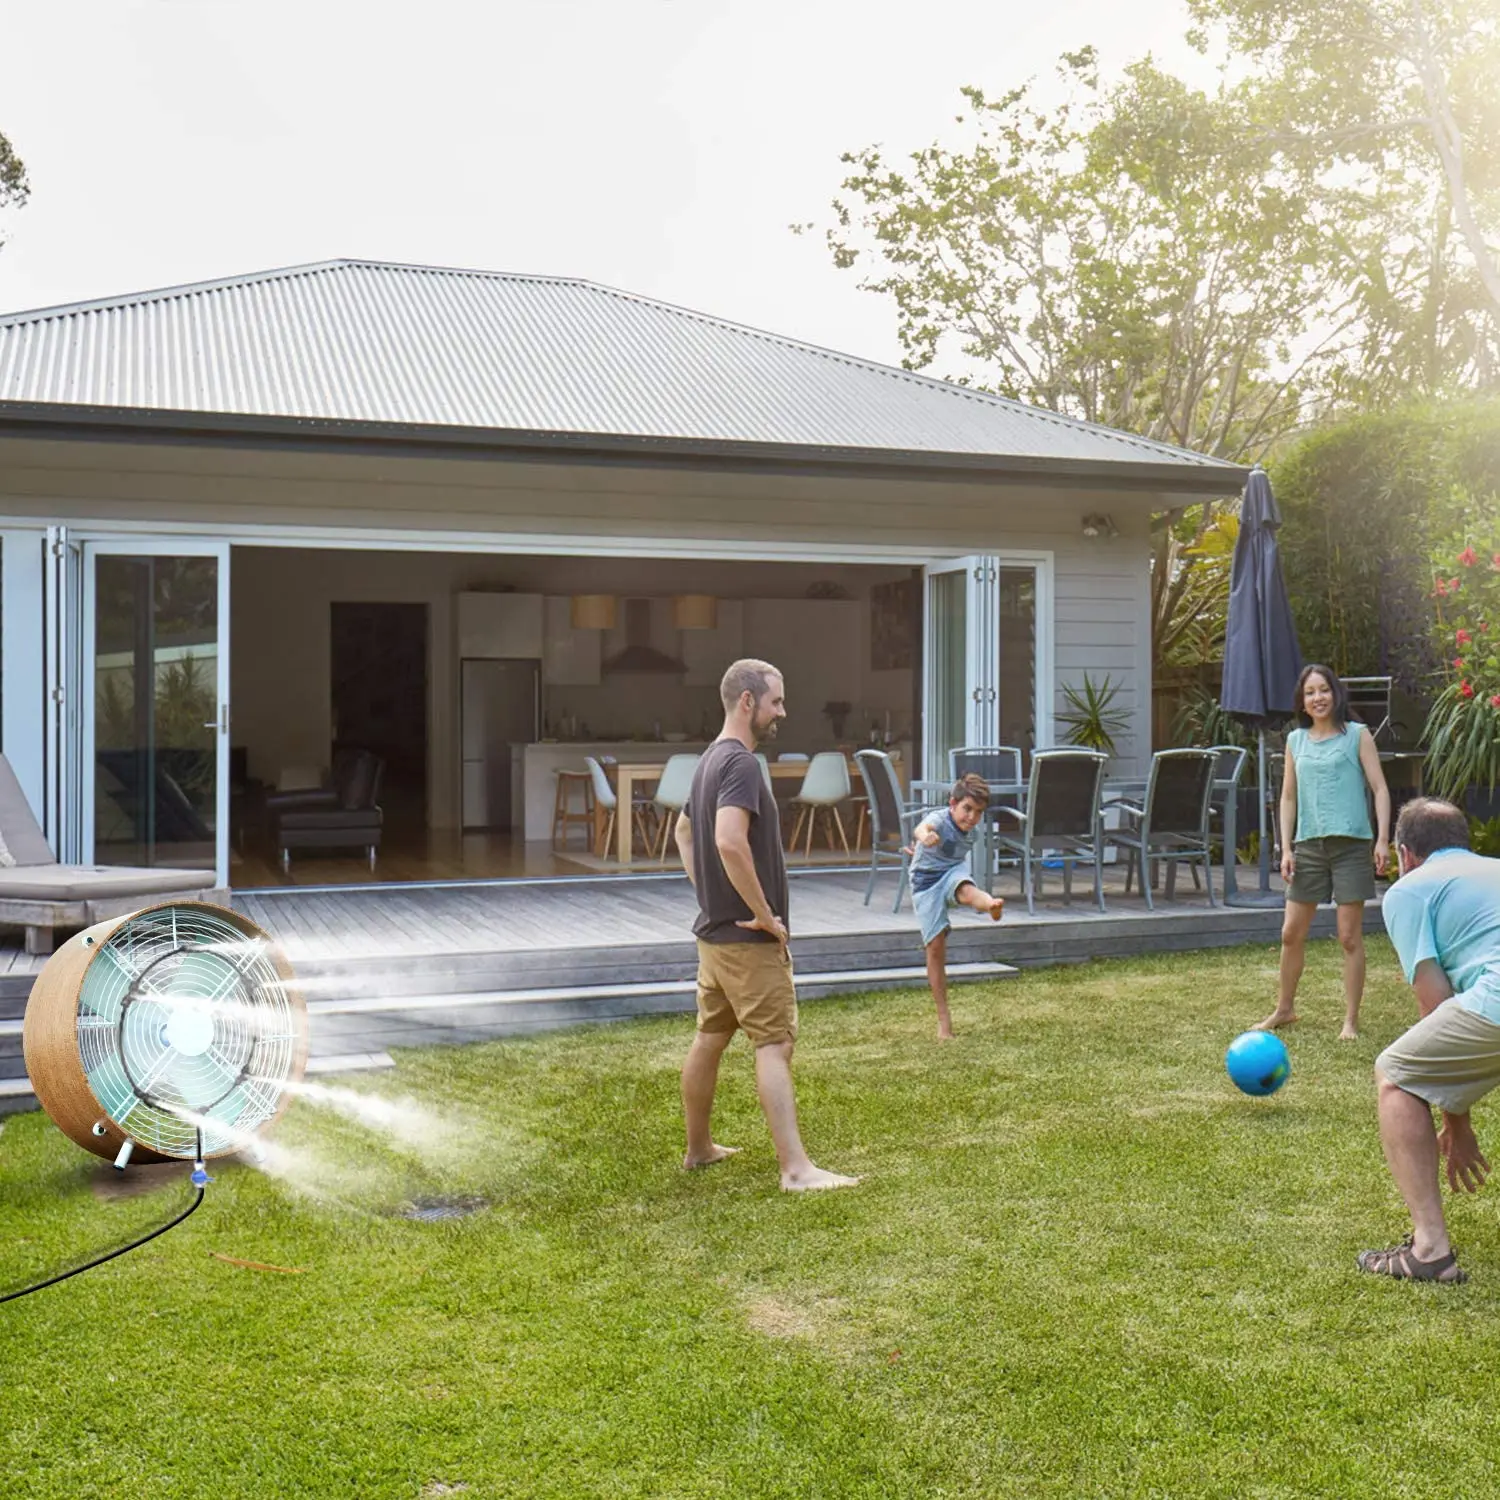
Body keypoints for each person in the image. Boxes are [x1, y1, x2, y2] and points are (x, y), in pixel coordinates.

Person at [672, 658, 859, 1193]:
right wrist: (759, 911)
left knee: (710, 1036)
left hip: (714, 936)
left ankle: (699, 1149)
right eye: (776, 700)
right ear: (748, 701)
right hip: (745, 938)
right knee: (774, 1043)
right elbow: (728, 840)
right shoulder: (742, 765)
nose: (783, 710)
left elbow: (685, 831)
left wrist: (709, 892)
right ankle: (796, 1170)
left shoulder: (709, 760)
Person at [1358, 797, 1500, 1283]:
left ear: (1404, 853)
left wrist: (1456, 1123)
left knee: (1396, 1075)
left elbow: (1435, 1007)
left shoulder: (1409, 890)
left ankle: (1430, 1251)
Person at [1256, 663, 1391, 1040]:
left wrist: (1382, 839)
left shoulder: (1357, 736)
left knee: (1348, 937)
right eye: (1310, 692)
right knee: (1289, 933)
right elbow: (1287, 796)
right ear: (1302, 700)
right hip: (1308, 846)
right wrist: (1286, 848)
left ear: (1336, 693)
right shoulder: (1295, 742)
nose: (1318, 698)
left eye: (1324, 690)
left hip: (1351, 845)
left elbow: (1379, 788)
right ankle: (1285, 1008)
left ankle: (1350, 1020)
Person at [908, 773, 1005, 1040]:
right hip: (925, 884)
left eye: (978, 812)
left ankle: (990, 905)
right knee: (936, 947)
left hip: (950, 872)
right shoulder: (939, 819)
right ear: (953, 803)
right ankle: (944, 1022)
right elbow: (922, 829)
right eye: (967, 809)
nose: (972, 817)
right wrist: (923, 839)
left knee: (966, 890)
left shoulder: (971, 832)